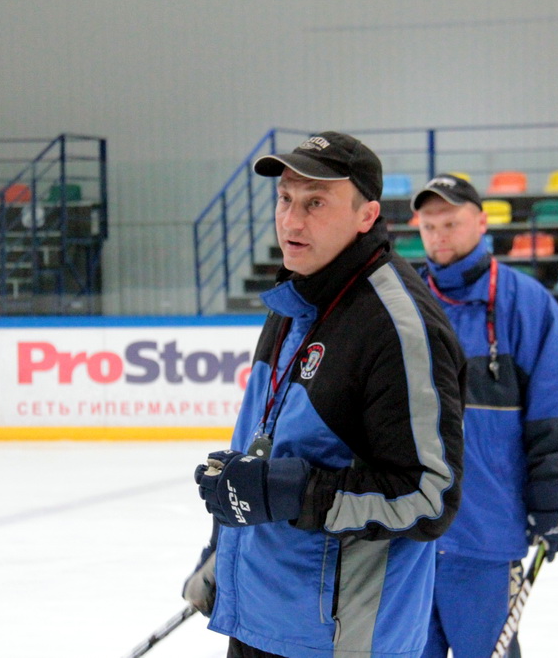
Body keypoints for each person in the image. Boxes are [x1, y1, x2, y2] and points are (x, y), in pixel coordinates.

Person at [183, 132, 466, 658]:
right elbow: (262, 448)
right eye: (285, 199)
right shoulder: (295, 297)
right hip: (258, 620)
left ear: (366, 216)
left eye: (315, 203)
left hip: (338, 642)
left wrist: (294, 493)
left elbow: (430, 497)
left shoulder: (397, 326)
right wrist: (223, 552)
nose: (291, 222)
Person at [411, 174, 558, 658]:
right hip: (408, 537)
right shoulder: (402, 300)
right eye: (429, 226)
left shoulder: (526, 304)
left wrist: (551, 497)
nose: (439, 236)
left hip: (487, 535)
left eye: (451, 223)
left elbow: (552, 413)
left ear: (482, 222)